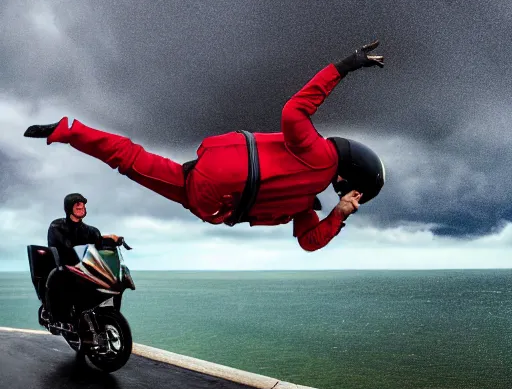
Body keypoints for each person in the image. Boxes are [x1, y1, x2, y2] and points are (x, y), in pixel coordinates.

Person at [25, 41, 386, 252]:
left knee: (130, 155)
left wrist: (344, 65)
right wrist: (338, 215)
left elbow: (294, 112)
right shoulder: (317, 173)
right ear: (349, 180)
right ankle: (68, 132)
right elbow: (309, 241)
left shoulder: (315, 172)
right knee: (130, 161)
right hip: (213, 198)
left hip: (212, 173)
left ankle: (68, 131)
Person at [45, 193, 119, 321]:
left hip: (87, 267)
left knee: (113, 283)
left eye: (83, 207)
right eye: (77, 207)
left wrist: (111, 239)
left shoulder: (91, 230)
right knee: (60, 280)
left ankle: (102, 313)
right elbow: (67, 243)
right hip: (64, 266)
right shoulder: (56, 226)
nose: (81, 209)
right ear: (69, 209)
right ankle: (60, 317)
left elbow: (98, 244)